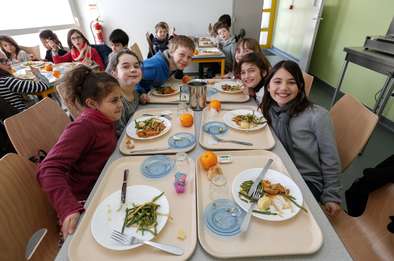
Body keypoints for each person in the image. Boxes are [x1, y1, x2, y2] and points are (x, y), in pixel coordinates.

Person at [37, 65, 123, 239]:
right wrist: (68, 208)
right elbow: (48, 169)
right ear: (92, 103)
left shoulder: (105, 118)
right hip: (85, 199)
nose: (121, 105)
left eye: (120, 99)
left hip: (104, 183)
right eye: (114, 100)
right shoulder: (84, 126)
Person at [260, 60, 342, 217]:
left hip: (306, 180)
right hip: (277, 170)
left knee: (277, 214)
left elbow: (330, 158)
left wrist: (331, 195)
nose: (283, 88)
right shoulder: (271, 108)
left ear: (300, 87)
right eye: (277, 81)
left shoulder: (317, 116)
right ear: (268, 86)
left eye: (291, 82)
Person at [108, 49, 144, 136]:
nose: (133, 70)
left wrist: (141, 98)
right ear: (114, 73)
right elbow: (121, 136)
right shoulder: (117, 102)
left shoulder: (134, 92)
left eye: (136, 66)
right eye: (126, 67)